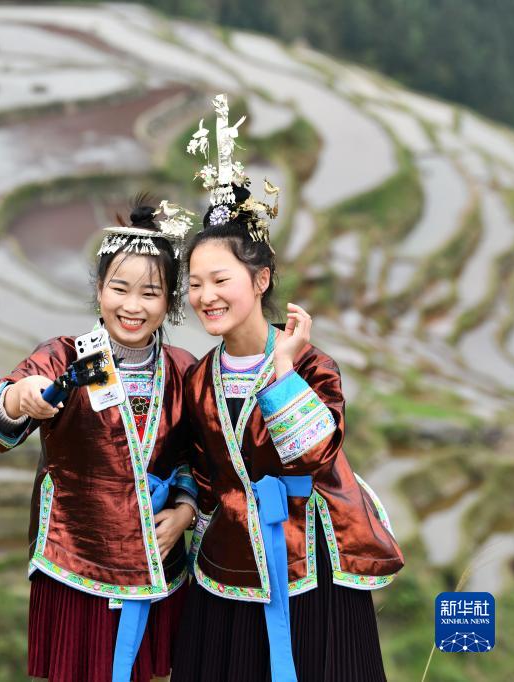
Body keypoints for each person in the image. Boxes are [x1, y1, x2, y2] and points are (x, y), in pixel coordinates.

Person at [170, 94, 404, 682]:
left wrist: (281, 372)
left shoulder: (312, 364)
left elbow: (318, 455)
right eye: (195, 283)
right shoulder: (198, 379)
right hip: (229, 555)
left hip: (315, 556)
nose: (205, 296)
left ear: (261, 278)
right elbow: (201, 471)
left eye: (220, 279)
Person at [0, 198, 201, 682]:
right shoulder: (65, 358)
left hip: (156, 564)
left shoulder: (183, 371)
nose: (132, 306)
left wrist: (183, 512)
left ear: (171, 301)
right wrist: (20, 397)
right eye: (119, 288)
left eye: (150, 293)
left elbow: (193, 462)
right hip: (75, 558)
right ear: (99, 290)